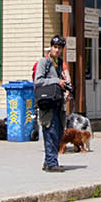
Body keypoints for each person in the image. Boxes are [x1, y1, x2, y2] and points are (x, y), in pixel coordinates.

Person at [34, 35, 72, 172]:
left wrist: (66, 90)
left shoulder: (59, 63)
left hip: (58, 103)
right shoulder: (44, 62)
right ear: (51, 47)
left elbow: (61, 83)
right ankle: (51, 163)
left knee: (57, 132)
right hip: (47, 104)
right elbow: (38, 81)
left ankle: (48, 162)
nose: (57, 50)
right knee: (50, 132)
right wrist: (57, 81)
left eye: (60, 48)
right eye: (55, 47)